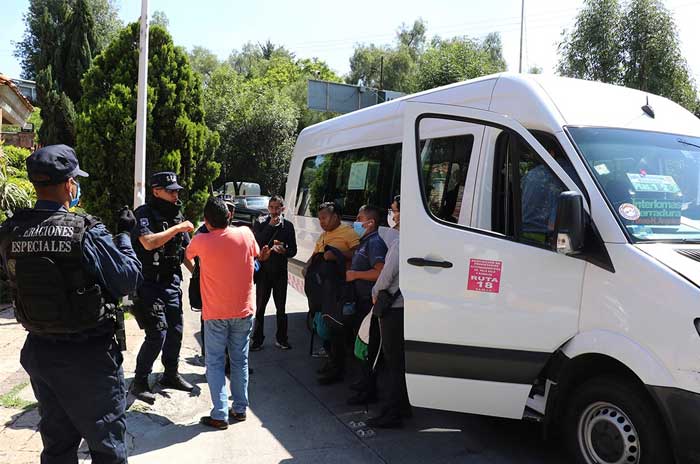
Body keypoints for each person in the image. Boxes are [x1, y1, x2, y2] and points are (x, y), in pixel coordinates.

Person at [0, 144, 143, 463]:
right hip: (88, 358)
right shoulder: (84, 231)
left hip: (41, 354)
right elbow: (127, 279)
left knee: (58, 446)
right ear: (68, 184)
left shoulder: (10, 231)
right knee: (106, 447)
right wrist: (123, 237)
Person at [185, 196, 270, 429]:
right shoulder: (245, 233)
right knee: (240, 360)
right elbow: (254, 257)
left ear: (206, 221)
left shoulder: (200, 240)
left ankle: (219, 414)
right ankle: (240, 409)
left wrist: (201, 274)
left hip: (215, 313)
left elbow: (188, 256)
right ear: (230, 215)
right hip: (243, 310)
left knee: (214, 363)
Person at [130, 172, 195, 403]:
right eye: (171, 190)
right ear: (156, 191)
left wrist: (197, 274)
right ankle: (140, 381)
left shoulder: (176, 214)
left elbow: (185, 252)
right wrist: (177, 229)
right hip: (148, 283)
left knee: (175, 331)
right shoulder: (143, 214)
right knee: (157, 333)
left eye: (177, 190)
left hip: (171, 282)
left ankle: (170, 374)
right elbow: (148, 243)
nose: (175, 194)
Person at [366, 195, 411, 428]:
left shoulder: (401, 243)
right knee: (399, 361)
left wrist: (375, 290)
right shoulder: (415, 239)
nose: (392, 216)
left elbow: (386, 277)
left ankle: (392, 412)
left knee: (392, 363)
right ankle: (402, 406)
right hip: (404, 306)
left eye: (394, 211)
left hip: (392, 307)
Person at [304, 202, 359, 385]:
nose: (322, 221)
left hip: (338, 290)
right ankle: (330, 359)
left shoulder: (348, 233)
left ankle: (338, 368)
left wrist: (337, 254)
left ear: (335, 216)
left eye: (325, 217)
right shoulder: (323, 235)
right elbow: (315, 256)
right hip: (322, 290)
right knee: (322, 326)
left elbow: (357, 254)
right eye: (319, 218)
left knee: (336, 328)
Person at [345, 205, 387, 404]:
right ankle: (362, 384)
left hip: (367, 302)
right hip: (359, 300)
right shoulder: (365, 241)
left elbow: (380, 271)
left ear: (370, 223)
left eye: (359, 218)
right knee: (359, 343)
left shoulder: (375, 243)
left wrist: (356, 275)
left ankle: (368, 392)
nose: (356, 221)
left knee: (366, 347)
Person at [251, 195, 297, 351]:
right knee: (260, 307)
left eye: (278, 208)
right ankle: (257, 340)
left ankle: (282, 339)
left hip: (280, 273)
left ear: (283, 208)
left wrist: (285, 251)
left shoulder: (288, 226)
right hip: (264, 272)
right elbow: (257, 244)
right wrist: (270, 226)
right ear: (268, 208)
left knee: (281, 308)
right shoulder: (261, 222)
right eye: (271, 207)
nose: (274, 211)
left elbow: (293, 250)